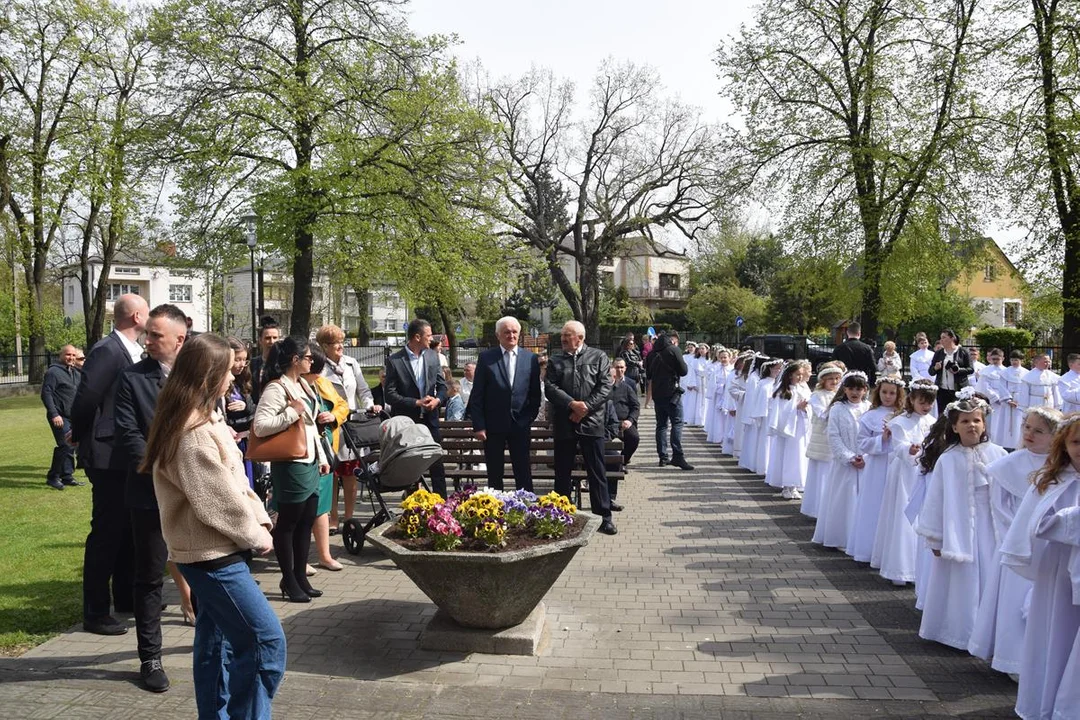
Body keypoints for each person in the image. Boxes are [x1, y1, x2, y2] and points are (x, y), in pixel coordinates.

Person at [143, 333, 285, 719]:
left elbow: (235, 483)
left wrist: (257, 518)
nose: (233, 376)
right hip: (211, 556)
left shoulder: (203, 417)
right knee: (265, 643)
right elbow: (216, 501)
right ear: (208, 375)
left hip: (215, 550)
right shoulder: (191, 431)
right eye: (228, 370)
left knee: (215, 644)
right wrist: (256, 534)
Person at [113, 303, 191, 692]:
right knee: (149, 577)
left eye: (156, 335)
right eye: (147, 333)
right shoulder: (131, 378)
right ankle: (150, 658)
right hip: (148, 492)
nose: (148, 340)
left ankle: (212, 638)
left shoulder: (196, 377)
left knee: (205, 567)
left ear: (180, 339)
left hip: (194, 493)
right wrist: (161, 465)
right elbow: (126, 432)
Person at [70, 293, 149, 636]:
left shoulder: (132, 351)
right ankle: (95, 611)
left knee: (129, 528)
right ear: (135, 316)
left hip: (124, 453)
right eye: (147, 312)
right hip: (107, 453)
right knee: (106, 531)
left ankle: (127, 597)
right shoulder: (108, 350)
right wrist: (80, 432)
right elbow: (86, 397)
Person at [969, 407, 1061, 677]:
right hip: (1017, 543)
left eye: (1038, 430)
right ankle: (1012, 659)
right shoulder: (1009, 465)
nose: (1029, 434)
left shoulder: (1058, 466)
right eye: (1026, 427)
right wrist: (1023, 535)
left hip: (1050, 543)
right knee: (1014, 599)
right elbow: (1000, 507)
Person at [1000, 415, 1080, 720]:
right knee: (1056, 634)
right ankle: (1047, 702)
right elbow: (1038, 524)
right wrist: (1073, 520)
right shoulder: (1053, 480)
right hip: (1058, 572)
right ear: (1063, 444)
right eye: (1075, 442)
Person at [913, 393, 1007, 650]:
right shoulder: (948, 459)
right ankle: (957, 632)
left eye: (976, 420)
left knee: (988, 576)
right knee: (961, 581)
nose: (971, 425)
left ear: (984, 424)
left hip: (989, 528)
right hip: (959, 528)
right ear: (954, 426)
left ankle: (986, 634)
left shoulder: (998, 454)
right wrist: (935, 536)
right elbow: (936, 500)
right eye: (965, 421)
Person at [252, 336, 330, 603]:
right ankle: (289, 578)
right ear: (295, 360)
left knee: (306, 521)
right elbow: (260, 426)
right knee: (288, 524)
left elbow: (311, 429)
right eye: (308, 357)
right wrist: (291, 413)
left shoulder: (303, 386)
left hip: (308, 461)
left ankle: (300, 576)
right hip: (290, 465)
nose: (311, 361)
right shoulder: (277, 388)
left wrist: (320, 456)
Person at [546, 321, 616, 535]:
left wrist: (585, 407)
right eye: (562, 335)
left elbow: (605, 386)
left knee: (597, 472)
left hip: (592, 422)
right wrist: (572, 404)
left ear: (580, 337)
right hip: (565, 422)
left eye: (568, 335)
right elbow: (550, 387)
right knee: (562, 472)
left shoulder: (599, 357)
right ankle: (562, 516)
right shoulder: (556, 359)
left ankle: (604, 517)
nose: (563, 338)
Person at [872, 380, 937, 585]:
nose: (926, 407)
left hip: (924, 473)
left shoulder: (933, 422)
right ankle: (900, 568)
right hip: (905, 474)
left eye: (929, 403)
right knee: (904, 516)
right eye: (922, 402)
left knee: (922, 517)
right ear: (912, 400)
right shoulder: (900, 422)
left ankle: (918, 568)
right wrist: (909, 449)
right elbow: (897, 445)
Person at [316, 324, 379, 531]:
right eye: (336, 343)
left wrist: (370, 405)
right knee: (333, 474)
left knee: (350, 474)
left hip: (352, 426)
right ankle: (332, 517)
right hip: (331, 427)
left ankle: (349, 518)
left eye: (342, 341)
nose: (341, 346)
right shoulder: (319, 368)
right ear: (324, 346)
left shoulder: (351, 364)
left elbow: (363, 390)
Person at [468, 316, 541, 492]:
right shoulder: (486, 358)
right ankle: (497, 512)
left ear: (519, 334)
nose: (511, 335)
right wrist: (479, 426)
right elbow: (477, 395)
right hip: (492, 426)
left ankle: (526, 509)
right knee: (494, 473)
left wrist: (528, 418)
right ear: (498, 335)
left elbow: (535, 394)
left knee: (523, 472)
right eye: (507, 332)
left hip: (520, 424)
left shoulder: (530, 358)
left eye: (514, 331)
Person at [385, 319, 448, 497]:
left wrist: (437, 400)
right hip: (408, 421)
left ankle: (443, 505)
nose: (432, 339)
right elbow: (389, 394)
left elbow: (442, 386)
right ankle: (414, 506)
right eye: (428, 335)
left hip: (430, 418)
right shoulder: (395, 361)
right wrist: (415, 402)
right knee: (410, 465)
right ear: (417, 337)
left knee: (437, 461)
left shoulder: (432, 356)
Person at [300, 346, 350, 573]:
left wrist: (333, 416)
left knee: (322, 506)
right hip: (305, 453)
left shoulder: (321, 383)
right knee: (303, 507)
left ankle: (325, 555)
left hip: (326, 451)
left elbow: (342, 405)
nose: (318, 373)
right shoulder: (292, 386)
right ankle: (300, 559)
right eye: (314, 367)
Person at [849, 377, 905, 563]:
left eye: (892, 393)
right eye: (884, 392)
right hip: (877, 467)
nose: (888, 397)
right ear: (877, 392)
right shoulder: (869, 416)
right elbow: (862, 442)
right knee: (874, 505)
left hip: (897, 466)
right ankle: (869, 549)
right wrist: (882, 439)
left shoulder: (903, 415)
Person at [813, 371, 870, 550]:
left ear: (865, 390)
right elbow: (834, 436)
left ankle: (859, 538)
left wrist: (865, 457)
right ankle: (840, 537)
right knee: (843, 500)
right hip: (844, 464)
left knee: (862, 501)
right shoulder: (837, 408)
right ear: (844, 389)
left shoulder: (868, 408)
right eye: (851, 388)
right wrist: (849, 457)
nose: (855, 392)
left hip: (865, 463)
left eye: (859, 389)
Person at [645, 332, 693, 470]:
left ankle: (663, 457)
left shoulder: (651, 354)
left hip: (657, 393)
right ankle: (677, 455)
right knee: (677, 423)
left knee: (661, 425)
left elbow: (648, 375)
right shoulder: (674, 350)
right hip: (672, 393)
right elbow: (684, 371)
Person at [801, 362, 843, 519]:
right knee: (821, 475)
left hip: (836, 440)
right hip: (822, 440)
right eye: (830, 379)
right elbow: (822, 414)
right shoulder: (817, 396)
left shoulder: (840, 395)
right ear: (823, 380)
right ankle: (817, 509)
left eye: (837, 378)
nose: (834, 382)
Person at [41, 344, 82, 490]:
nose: (71, 358)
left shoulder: (76, 373)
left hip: (73, 417)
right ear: (61, 356)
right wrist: (54, 414)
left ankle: (67, 476)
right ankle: (53, 477)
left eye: (73, 355)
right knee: (64, 444)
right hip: (59, 416)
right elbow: (46, 393)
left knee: (72, 445)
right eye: (68, 355)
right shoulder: (53, 372)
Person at [771, 360, 812, 500]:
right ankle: (786, 486)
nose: (800, 377)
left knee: (799, 456)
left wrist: (806, 409)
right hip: (789, 429)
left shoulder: (803, 389)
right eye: (797, 375)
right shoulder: (783, 392)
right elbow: (781, 412)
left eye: (801, 375)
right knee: (789, 457)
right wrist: (796, 408)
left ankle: (794, 485)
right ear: (789, 375)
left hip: (800, 427)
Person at [223, 337, 256, 487]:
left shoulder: (242, 381)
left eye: (245, 360)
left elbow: (256, 410)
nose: (242, 364)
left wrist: (246, 406)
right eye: (238, 360)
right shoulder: (221, 384)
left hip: (246, 442)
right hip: (231, 441)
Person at [929, 329, 974, 413]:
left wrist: (958, 370)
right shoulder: (939, 353)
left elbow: (971, 369)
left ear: (952, 338)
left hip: (959, 390)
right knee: (943, 415)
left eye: (944, 338)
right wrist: (936, 368)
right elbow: (931, 372)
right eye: (940, 338)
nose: (941, 340)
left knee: (957, 414)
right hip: (942, 390)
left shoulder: (963, 352)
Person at [609, 358, 641, 468]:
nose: (619, 370)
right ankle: (607, 463)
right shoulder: (601, 388)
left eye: (621, 367)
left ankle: (622, 462)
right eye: (616, 367)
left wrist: (630, 420)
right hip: (607, 423)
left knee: (634, 438)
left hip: (624, 421)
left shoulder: (627, 387)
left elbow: (636, 406)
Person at [248, 317, 280, 404]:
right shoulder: (252, 365)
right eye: (267, 338)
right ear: (260, 340)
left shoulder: (284, 365)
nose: (271, 341)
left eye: (275, 337)